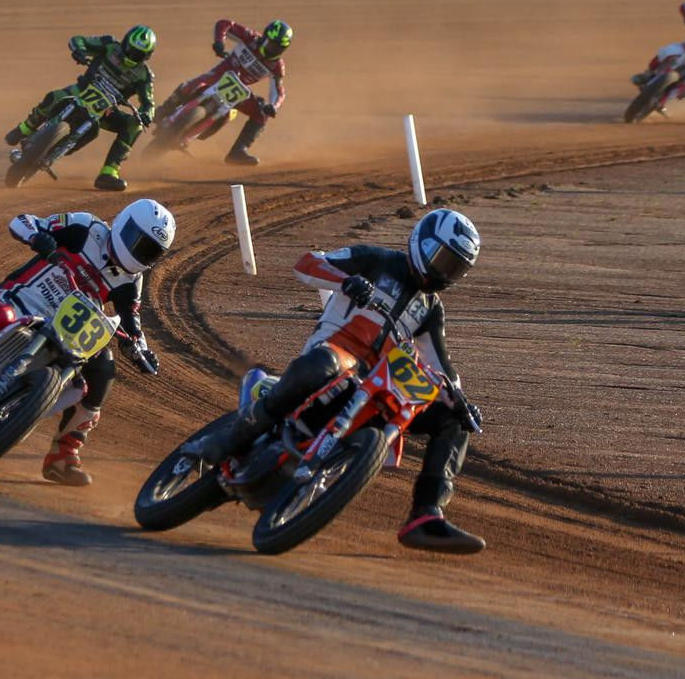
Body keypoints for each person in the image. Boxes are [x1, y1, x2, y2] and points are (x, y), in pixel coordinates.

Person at [190, 208, 486, 553]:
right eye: (442, 258)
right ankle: (230, 439)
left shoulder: (431, 310)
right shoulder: (377, 260)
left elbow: (440, 365)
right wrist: (345, 280)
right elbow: (308, 263)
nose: (443, 271)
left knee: (453, 421)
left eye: (455, 267)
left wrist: (460, 400)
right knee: (327, 364)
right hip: (334, 354)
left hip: (377, 387)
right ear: (422, 242)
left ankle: (427, 514)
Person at [0, 200, 175, 485]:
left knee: (103, 372)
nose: (138, 251)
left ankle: (63, 454)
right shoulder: (86, 227)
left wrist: (138, 346)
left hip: (65, 332)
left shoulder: (132, 280)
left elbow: (132, 320)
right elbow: (23, 221)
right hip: (20, 302)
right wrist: (37, 237)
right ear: (122, 223)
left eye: (149, 250)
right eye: (137, 240)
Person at [5, 26, 158, 192]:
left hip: (106, 110)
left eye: (136, 53)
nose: (130, 54)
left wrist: (145, 115)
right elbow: (77, 40)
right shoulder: (109, 44)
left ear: (146, 56)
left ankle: (109, 172)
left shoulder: (145, 76)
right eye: (129, 48)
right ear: (125, 41)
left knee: (134, 125)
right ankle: (25, 128)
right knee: (54, 96)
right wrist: (79, 50)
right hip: (80, 91)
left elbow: (149, 103)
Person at [153, 19, 291, 165]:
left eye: (277, 48)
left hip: (239, 91)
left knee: (261, 114)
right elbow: (225, 24)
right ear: (263, 38)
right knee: (191, 85)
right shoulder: (251, 38)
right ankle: (163, 111)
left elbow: (278, 90)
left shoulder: (277, 66)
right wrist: (219, 42)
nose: (271, 49)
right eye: (269, 43)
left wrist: (273, 106)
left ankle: (238, 152)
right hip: (219, 74)